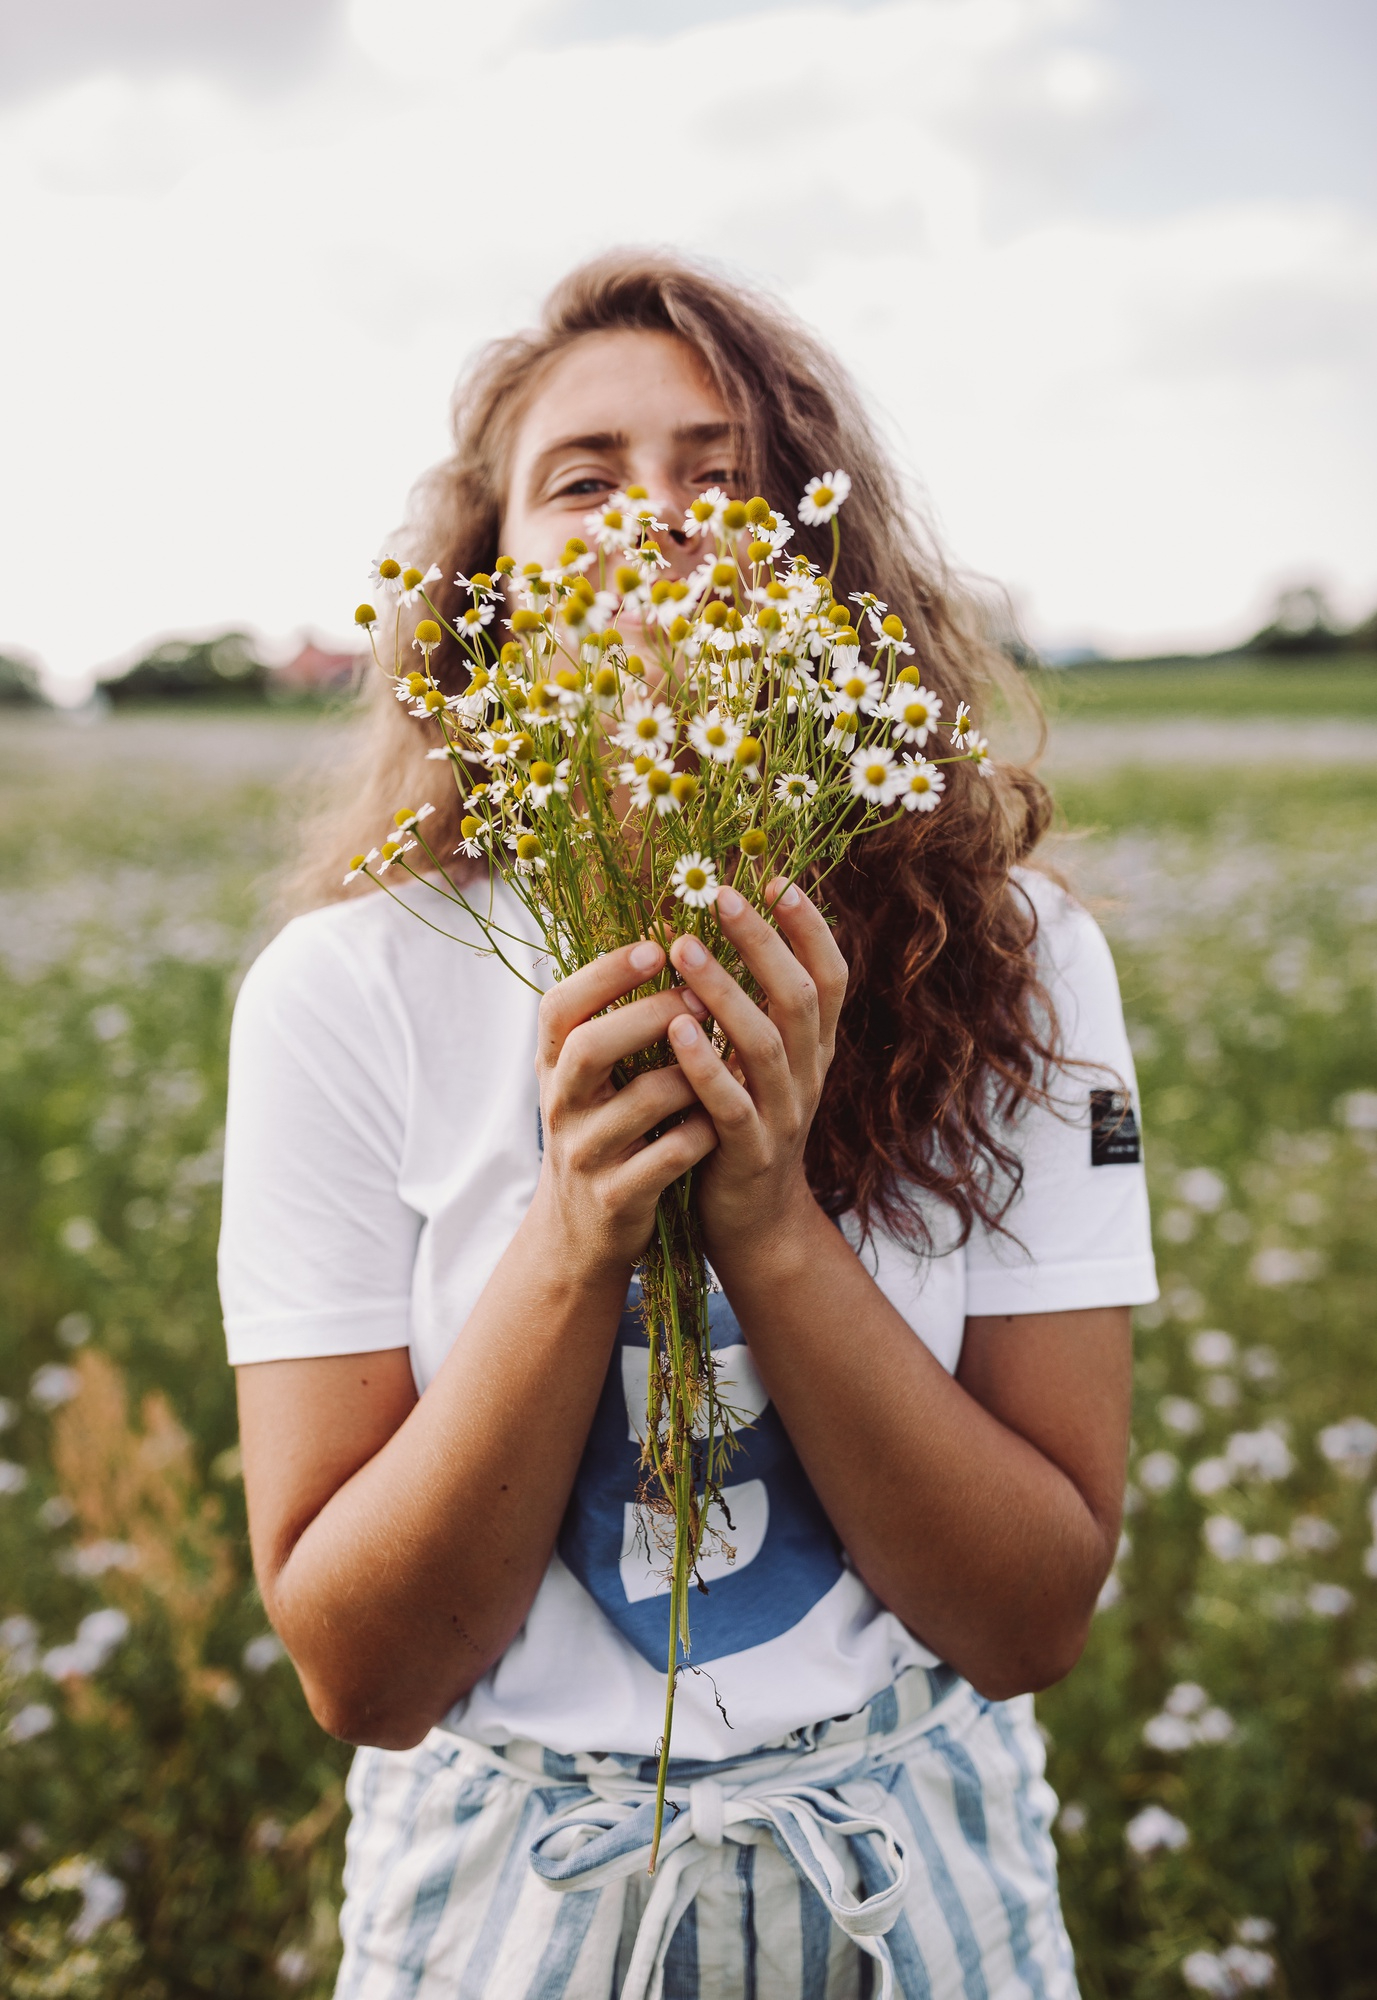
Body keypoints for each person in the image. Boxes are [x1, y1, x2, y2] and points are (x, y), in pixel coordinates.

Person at [220, 251, 1156, 2000]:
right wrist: (581, 1232)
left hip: (910, 1879)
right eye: (583, 479)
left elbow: (1029, 1623)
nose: (657, 520)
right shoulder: (343, 990)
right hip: (507, 1899)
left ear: (810, 559)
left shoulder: (1017, 960)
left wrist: (772, 1224)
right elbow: (364, 1676)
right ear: (489, 586)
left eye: (721, 476)